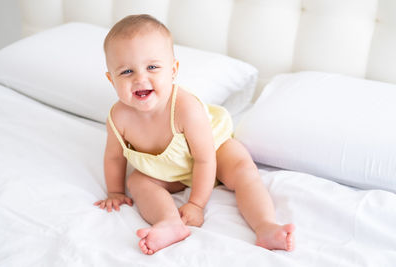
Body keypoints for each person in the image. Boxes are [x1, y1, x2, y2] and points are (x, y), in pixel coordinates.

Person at [94, 14, 295, 255]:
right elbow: (114, 158)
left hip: (213, 153)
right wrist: (115, 192)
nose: (140, 78)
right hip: (171, 171)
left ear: (173, 70)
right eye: (126, 71)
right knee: (137, 181)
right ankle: (169, 222)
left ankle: (266, 226)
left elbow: (204, 159)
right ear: (111, 79)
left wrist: (196, 204)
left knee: (243, 169)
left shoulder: (186, 109)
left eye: (152, 67)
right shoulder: (118, 117)